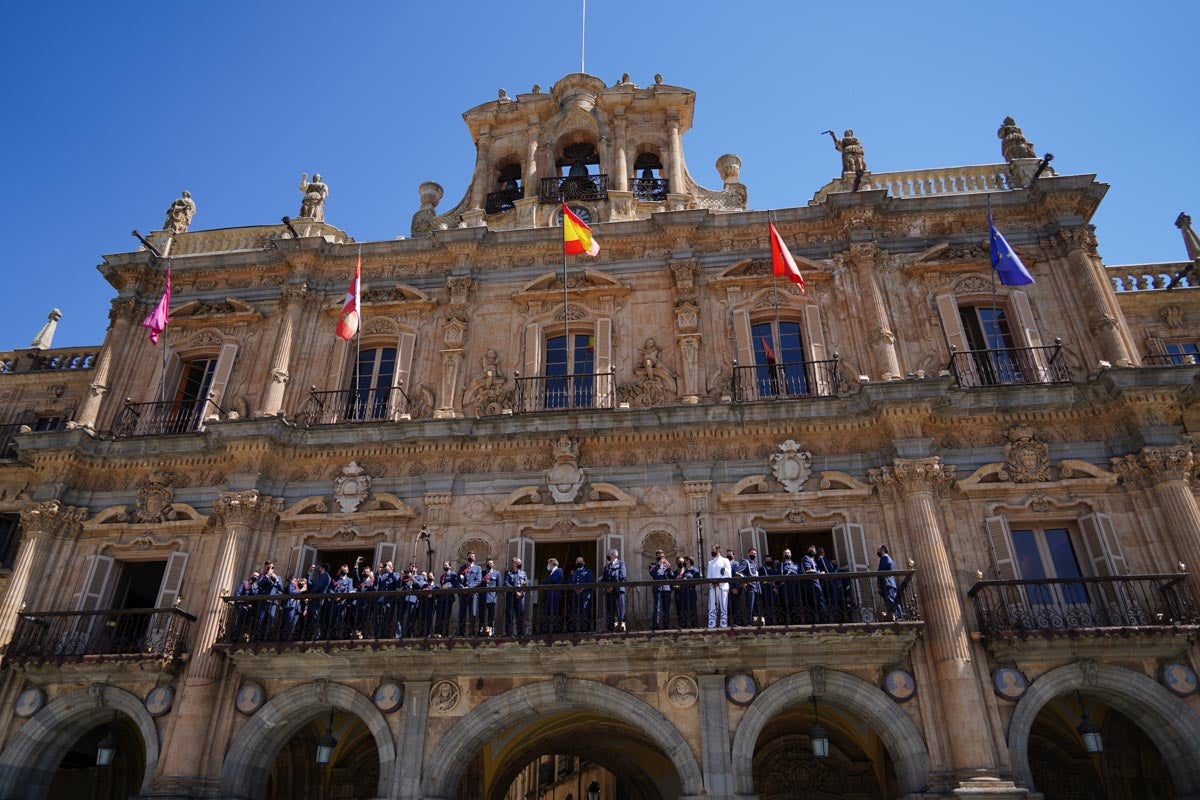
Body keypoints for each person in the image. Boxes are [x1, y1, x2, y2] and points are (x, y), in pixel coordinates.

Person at [601, 549, 627, 632]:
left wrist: (613, 585)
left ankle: (620, 626)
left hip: (618, 590)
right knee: (610, 609)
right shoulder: (607, 566)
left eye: (609, 554)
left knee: (620, 609)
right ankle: (610, 627)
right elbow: (604, 579)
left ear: (613, 555)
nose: (608, 556)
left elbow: (622, 575)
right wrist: (606, 586)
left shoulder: (621, 563)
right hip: (609, 591)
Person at [457, 551, 483, 636]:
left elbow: (478, 581)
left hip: (473, 594)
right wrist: (462, 587)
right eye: (469, 556)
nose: (471, 557)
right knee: (462, 613)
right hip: (463, 594)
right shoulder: (462, 568)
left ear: (474, 558)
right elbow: (458, 580)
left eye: (472, 556)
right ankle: (461, 632)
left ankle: (472, 633)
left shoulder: (478, 568)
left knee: (473, 614)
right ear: (467, 557)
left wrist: (469, 587)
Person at [255, 560, 284, 636]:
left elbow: (281, 588)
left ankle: (269, 637)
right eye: (269, 567)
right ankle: (257, 637)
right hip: (263, 601)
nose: (271, 569)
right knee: (260, 619)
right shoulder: (262, 576)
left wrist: (276, 579)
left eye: (272, 567)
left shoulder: (278, 577)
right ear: (265, 568)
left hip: (273, 602)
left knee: (271, 619)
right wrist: (267, 575)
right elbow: (260, 584)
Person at [706, 544, 731, 628]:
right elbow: (709, 576)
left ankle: (723, 625)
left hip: (723, 587)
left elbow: (728, 574)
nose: (712, 551)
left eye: (713, 550)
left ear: (718, 550)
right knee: (712, 606)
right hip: (713, 588)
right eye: (711, 550)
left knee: (723, 606)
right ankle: (712, 625)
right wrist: (712, 583)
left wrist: (719, 582)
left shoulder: (725, 560)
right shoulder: (710, 563)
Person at [801, 546, 828, 623]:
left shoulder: (814, 561)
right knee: (817, 603)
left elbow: (813, 570)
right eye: (810, 549)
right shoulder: (806, 558)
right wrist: (819, 573)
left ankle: (823, 620)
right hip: (812, 585)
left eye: (814, 549)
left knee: (821, 602)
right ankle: (821, 621)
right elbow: (808, 570)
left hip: (817, 584)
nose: (813, 550)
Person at [305, 563, 332, 639]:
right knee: (312, 618)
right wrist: (309, 572)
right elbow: (311, 585)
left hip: (317, 600)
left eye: (320, 567)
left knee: (314, 618)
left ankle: (316, 636)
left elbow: (316, 588)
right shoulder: (322, 576)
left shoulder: (325, 576)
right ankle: (312, 635)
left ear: (323, 568)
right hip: (315, 599)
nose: (318, 568)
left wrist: (310, 595)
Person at [877, 545, 903, 620]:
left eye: (878, 550)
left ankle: (897, 615)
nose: (877, 552)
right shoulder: (888, 558)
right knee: (892, 599)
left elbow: (881, 570)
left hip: (887, 583)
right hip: (890, 583)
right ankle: (896, 614)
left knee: (891, 599)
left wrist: (878, 580)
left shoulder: (885, 558)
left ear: (883, 550)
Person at [648, 550, 673, 630]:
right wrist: (659, 565)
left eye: (662, 556)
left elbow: (671, 576)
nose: (661, 558)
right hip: (657, 588)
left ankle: (666, 625)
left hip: (666, 588)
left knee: (666, 607)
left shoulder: (666, 565)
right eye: (659, 557)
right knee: (657, 607)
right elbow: (652, 574)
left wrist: (669, 568)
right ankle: (656, 625)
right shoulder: (652, 565)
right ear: (656, 557)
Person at [504, 557, 529, 636]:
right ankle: (508, 634)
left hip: (520, 598)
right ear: (514, 563)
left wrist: (521, 593)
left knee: (520, 616)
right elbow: (506, 583)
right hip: (510, 597)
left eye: (520, 563)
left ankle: (520, 634)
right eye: (518, 563)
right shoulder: (508, 573)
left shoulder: (523, 573)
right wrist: (516, 592)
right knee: (509, 616)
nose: (520, 564)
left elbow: (526, 584)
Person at [568, 557, 594, 632]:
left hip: (585, 595)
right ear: (575, 563)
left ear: (584, 562)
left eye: (581, 561)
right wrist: (575, 589)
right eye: (577, 561)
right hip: (575, 595)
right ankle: (575, 629)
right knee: (575, 612)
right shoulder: (573, 572)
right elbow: (569, 582)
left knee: (585, 611)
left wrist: (581, 588)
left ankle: (584, 629)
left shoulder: (588, 571)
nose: (579, 562)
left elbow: (590, 582)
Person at [739, 548, 763, 625]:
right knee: (749, 607)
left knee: (755, 607)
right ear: (748, 554)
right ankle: (747, 623)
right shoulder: (746, 562)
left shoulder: (754, 564)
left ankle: (754, 622)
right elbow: (739, 572)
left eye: (755, 553)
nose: (753, 555)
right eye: (752, 553)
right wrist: (743, 582)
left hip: (756, 587)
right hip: (750, 587)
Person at [542, 557, 564, 633]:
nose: (548, 566)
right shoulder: (551, 572)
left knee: (554, 612)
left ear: (552, 563)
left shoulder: (559, 570)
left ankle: (555, 629)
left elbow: (552, 580)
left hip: (555, 596)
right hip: (549, 596)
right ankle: (549, 629)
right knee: (549, 612)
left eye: (549, 564)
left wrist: (543, 581)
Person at [678, 556, 701, 627]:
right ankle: (684, 625)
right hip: (684, 592)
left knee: (692, 608)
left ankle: (694, 624)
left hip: (691, 592)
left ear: (688, 561)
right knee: (683, 609)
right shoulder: (685, 571)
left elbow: (698, 580)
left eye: (684, 561)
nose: (683, 563)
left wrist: (689, 582)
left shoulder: (695, 570)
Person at [778, 549, 800, 623]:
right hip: (784, 587)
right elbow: (777, 576)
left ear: (791, 554)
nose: (787, 554)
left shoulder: (796, 564)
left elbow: (800, 573)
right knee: (786, 603)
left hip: (795, 586)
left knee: (796, 603)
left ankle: (797, 620)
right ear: (783, 555)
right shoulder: (780, 565)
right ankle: (788, 620)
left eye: (788, 553)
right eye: (785, 553)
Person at [480, 559, 500, 635]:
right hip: (483, 597)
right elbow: (480, 585)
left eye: (491, 563)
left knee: (491, 616)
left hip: (492, 598)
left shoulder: (497, 573)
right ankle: (481, 631)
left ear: (493, 564)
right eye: (488, 563)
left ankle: (490, 632)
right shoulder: (482, 573)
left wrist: (494, 596)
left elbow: (498, 586)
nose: (490, 564)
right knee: (482, 615)